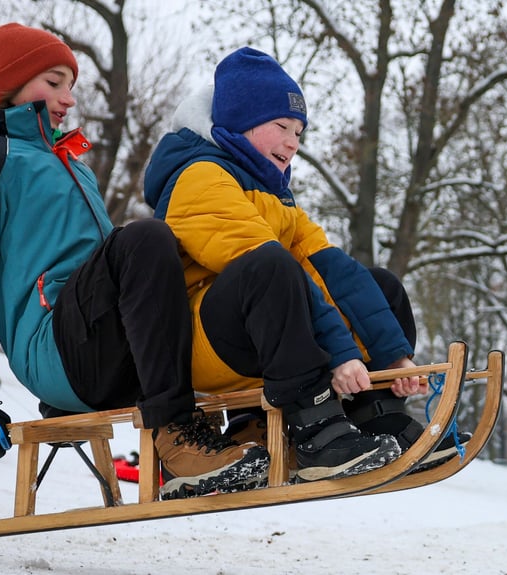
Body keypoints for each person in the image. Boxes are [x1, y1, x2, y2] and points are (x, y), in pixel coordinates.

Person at [0, 23, 268, 497]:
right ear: (9, 84)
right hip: (56, 350)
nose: (67, 99)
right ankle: (175, 437)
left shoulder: (72, 163)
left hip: (110, 345)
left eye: (70, 86)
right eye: (53, 82)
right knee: (147, 238)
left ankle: (255, 423)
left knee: (210, 257)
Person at [143, 46, 467, 482]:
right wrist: (341, 356)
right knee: (272, 269)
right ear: (241, 122)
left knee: (377, 284)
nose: (294, 142)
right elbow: (266, 268)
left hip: (264, 329)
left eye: (299, 131)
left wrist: (394, 359)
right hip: (208, 340)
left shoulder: (275, 196)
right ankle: (315, 431)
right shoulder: (199, 177)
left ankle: (377, 413)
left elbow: (331, 269)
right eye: (282, 127)